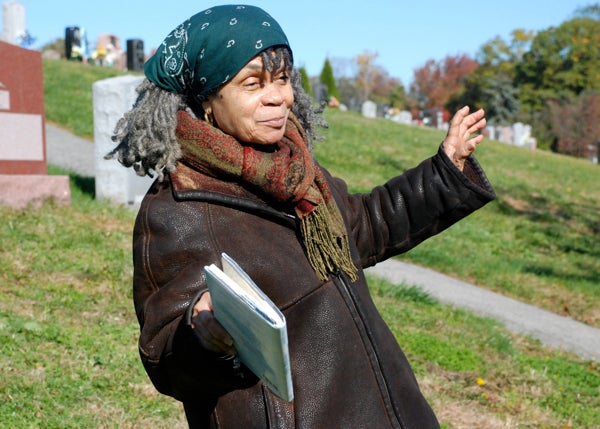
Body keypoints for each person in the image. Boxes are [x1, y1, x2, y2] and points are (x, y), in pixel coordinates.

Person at [107, 5, 496, 428]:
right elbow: (164, 356)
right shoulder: (177, 210)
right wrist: (201, 334)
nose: (279, 96)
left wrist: (446, 171)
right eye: (253, 83)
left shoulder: (295, 171)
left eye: (283, 78)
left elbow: (364, 227)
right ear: (207, 101)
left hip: (386, 409)